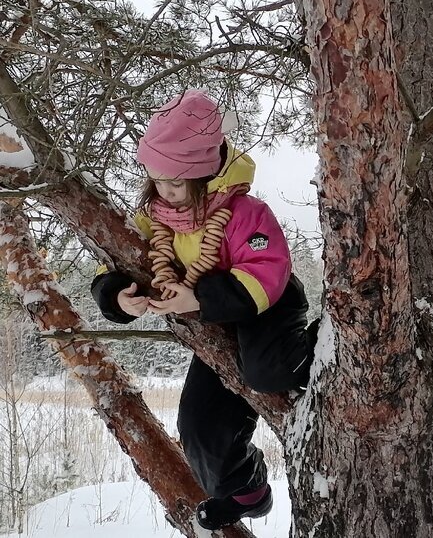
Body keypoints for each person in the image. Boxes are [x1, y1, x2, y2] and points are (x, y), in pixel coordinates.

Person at [90, 90, 319, 530]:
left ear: (204, 173)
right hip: (214, 322)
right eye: (157, 180)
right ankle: (248, 492)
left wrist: (199, 299)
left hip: (264, 306)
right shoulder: (153, 219)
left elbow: (268, 270)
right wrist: (119, 296)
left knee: (267, 372)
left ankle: (326, 343)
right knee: (198, 423)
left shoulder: (245, 212)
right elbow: (113, 261)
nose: (166, 191)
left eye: (176, 182)